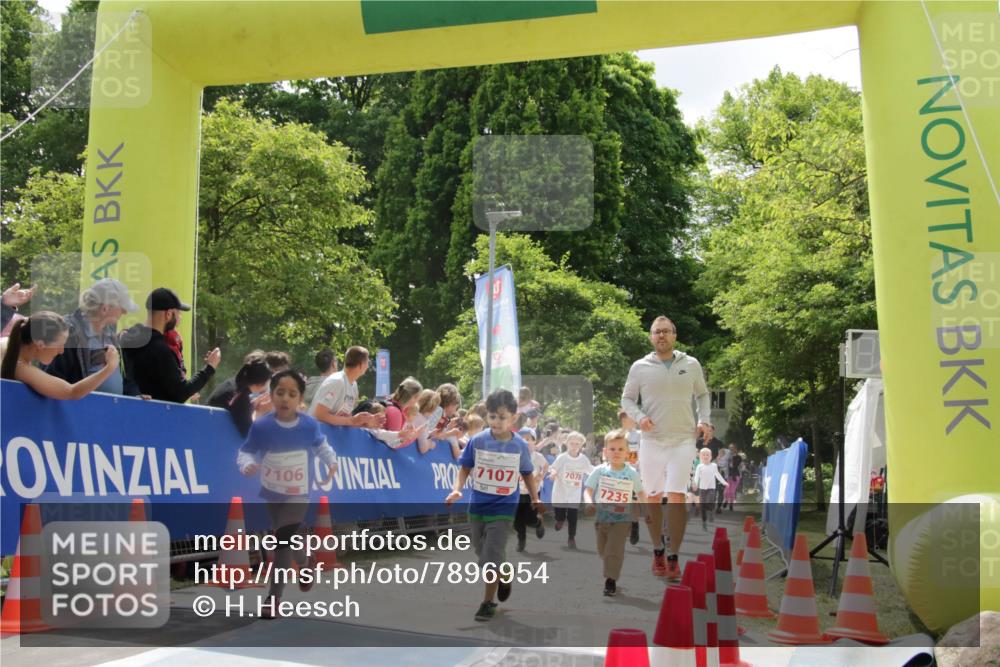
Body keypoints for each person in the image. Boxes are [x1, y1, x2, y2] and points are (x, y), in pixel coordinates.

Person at [236, 370, 337, 618]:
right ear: (271, 395)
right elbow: (245, 451)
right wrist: (247, 464)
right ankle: (305, 563)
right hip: (272, 491)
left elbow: (321, 446)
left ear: (300, 399)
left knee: (282, 539)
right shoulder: (262, 426)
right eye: (280, 392)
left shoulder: (308, 425)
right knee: (286, 538)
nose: (285, 399)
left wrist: (332, 462)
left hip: (299, 492)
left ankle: (274, 598)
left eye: (292, 394)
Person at [621, 315, 711, 581]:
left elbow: (703, 394)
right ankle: (658, 549)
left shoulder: (691, 364)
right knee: (652, 496)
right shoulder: (640, 366)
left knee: (676, 497)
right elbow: (627, 399)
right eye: (656, 332)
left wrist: (704, 420)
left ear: (674, 335)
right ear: (651, 337)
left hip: (683, 439)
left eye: (666, 331)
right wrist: (640, 418)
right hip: (652, 441)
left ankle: (673, 555)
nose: (661, 335)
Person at [445, 389, 542, 622]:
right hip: (478, 506)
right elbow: (465, 467)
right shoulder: (477, 441)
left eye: (502, 417)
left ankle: (488, 602)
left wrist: (535, 498)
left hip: (504, 509)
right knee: (480, 550)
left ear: (513, 418)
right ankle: (504, 572)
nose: (496, 422)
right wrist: (457, 488)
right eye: (492, 416)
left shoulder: (519, 445)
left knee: (490, 556)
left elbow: (527, 473)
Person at [44, 278, 145, 397]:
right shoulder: (67, 333)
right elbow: (52, 380)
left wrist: (135, 396)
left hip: (110, 411)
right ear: (104, 309)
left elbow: (124, 375)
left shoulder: (111, 334)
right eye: (122, 307)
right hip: (79, 411)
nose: (124, 312)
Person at [120, 288, 221, 403]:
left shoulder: (128, 337)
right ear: (168, 314)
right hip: (154, 416)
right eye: (178, 313)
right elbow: (181, 393)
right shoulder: (160, 350)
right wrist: (209, 368)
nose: (179, 317)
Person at [584, 430, 647, 597]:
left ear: (627, 453)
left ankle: (610, 580)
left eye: (620, 449)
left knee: (614, 550)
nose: (616, 453)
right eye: (612, 449)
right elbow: (588, 489)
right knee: (603, 551)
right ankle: (611, 564)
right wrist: (589, 502)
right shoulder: (599, 471)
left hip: (622, 519)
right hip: (602, 518)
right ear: (605, 452)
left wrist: (646, 511)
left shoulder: (631, 473)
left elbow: (640, 493)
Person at [1, 312, 119, 400]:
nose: (61, 351)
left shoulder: (16, 360)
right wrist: (109, 368)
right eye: (60, 345)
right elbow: (71, 392)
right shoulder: (21, 368)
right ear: (40, 344)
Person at [307, 346, 382, 428]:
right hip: (313, 435)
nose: (368, 366)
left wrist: (365, 423)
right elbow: (319, 415)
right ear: (361, 364)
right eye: (367, 362)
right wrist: (352, 420)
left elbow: (344, 419)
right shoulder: (337, 381)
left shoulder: (354, 386)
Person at [548, 430, 593, 549]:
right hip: (561, 491)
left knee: (573, 517)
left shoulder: (583, 459)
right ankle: (559, 520)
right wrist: (553, 473)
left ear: (581, 445)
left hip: (574, 492)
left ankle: (571, 538)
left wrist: (602, 472)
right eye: (572, 443)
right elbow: (554, 468)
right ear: (566, 444)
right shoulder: (562, 457)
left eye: (577, 444)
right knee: (560, 514)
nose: (574, 446)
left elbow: (590, 470)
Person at [208, 356, 272, 437]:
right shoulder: (241, 398)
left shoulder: (234, 383)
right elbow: (249, 434)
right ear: (260, 384)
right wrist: (260, 413)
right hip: (216, 438)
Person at [513, 427, 548, 552]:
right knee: (517, 521)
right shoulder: (514, 456)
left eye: (528, 439)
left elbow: (545, 466)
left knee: (529, 519)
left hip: (532, 493)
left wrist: (540, 476)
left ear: (534, 441)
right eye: (522, 439)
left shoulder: (537, 457)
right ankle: (521, 540)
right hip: (516, 492)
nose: (525, 441)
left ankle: (538, 523)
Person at [618, 408, 642, 546]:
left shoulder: (639, 435)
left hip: (635, 473)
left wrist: (638, 460)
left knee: (633, 502)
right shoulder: (618, 435)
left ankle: (634, 526)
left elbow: (643, 452)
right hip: (619, 473)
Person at [693, 447, 728, 531]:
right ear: (700, 457)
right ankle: (704, 522)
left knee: (710, 502)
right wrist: (695, 484)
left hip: (711, 488)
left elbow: (718, 475)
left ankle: (711, 512)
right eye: (703, 455)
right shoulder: (699, 466)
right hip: (702, 489)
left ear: (711, 457)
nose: (705, 456)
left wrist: (724, 482)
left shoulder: (713, 466)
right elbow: (696, 477)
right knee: (703, 507)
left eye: (707, 455)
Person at [723, 444, 742, 510]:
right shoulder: (727, 457)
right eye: (730, 448)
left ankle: (731, 504)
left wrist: (731, 458)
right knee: (726, 491)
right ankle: (726, 500)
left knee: (732, 491)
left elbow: (734, 465)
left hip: (736, 476)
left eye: (732, 448)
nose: (731, 449)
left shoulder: (738, 457)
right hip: (729, 475)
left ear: (735, 449)